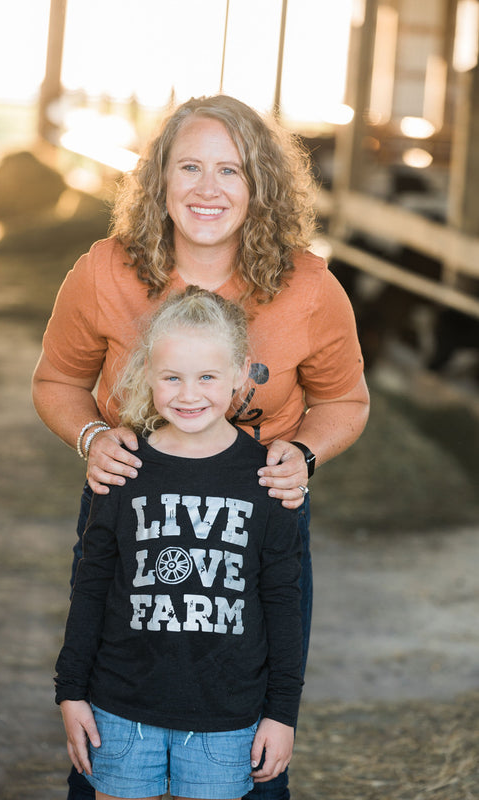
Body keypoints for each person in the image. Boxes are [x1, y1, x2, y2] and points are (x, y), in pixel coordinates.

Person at [32, 93, 370, 800]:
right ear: (159, 180)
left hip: (257, 525)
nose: (207, 189)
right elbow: (58, 379)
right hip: (131, 510)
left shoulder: (309, 285)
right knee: (113, 711)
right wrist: (94, 437)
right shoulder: (104, 270)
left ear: (260, 187)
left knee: (247, 743)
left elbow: (344, 400)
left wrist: (301, 454)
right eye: (189, 166)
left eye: (230, 170)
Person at [55, 286, 304, 800]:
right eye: (172, 377)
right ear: (147, 373)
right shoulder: (123, 470)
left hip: (227, 717)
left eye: (208, 377)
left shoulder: (268, 480)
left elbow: (283, 602)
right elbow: (92, 585)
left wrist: (282, 714)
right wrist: (70, 692)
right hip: (119, 710)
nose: (189, 395)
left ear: (242, 374)